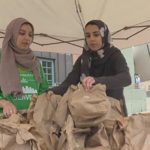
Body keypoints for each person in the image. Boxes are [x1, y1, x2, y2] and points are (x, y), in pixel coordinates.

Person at [48, 19, 131, 114]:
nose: (91, 39)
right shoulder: (83, 59)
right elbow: (69, 83)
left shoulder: (114, 55)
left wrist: (97, 81)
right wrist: (52, 91)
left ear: (104, 35)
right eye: (88, 36)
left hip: (112, 111)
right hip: (89, 112)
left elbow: (126, 78)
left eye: (96, 34)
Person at [0, 18, 48, 118]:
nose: (27, 38)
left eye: (30, 35)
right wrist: (4, 103)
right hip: (6, 122)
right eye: (22, 33)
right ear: (11, 34)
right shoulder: (2, 59)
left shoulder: (35, 62)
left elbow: (43, 90)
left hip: (32, 120)